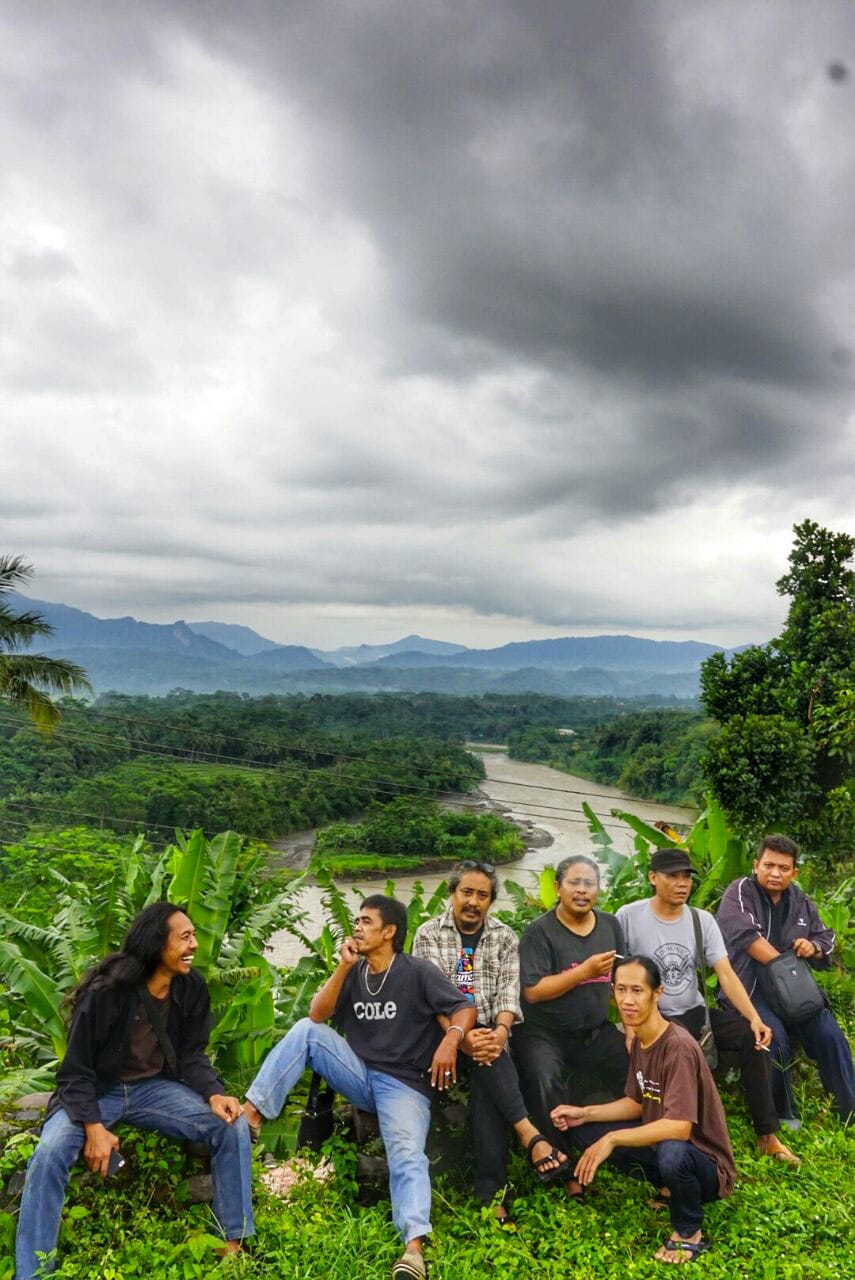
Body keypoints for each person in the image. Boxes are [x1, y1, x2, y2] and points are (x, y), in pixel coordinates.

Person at [243, 894, 475, 1280]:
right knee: (306, 1031)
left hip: (404, 1083)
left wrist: (451, 1040)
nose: (357, 927)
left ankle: (413, 1248)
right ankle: (251, 1115)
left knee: (406, 1153)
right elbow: (317, 1014)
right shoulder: (353, 972)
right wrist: (342, 967)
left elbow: (464, 1007)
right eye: (357, 921)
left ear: (389, 931)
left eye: (366, 921)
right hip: (359, 1074)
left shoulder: (416, 971)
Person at [16, 902, 253, 1280]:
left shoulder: (191, 987)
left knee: (231, 1124)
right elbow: (74, 1072)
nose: (194, 945)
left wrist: (214, 1094)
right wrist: (93, 1127)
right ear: (157, 944)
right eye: (185, 937)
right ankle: (33, 1272)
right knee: (49, 1152)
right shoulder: (108, 991)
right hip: (97, 1092)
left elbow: (191, 1054)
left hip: (154, 1090)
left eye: (194, 936)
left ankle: (231, 1246)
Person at [616, 847, 798, 1165]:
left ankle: (767, 1134)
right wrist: (631, 1027)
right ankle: (691, 1140)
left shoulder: (702, 920)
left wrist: (754, 1018)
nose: (682, 883)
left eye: (686, 876)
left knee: (752, 1038)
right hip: (653, 1018)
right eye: (673, 876)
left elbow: (725, 974)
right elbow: (617, 980)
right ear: (653, 878)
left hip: (695, 1013)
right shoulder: (629, 917)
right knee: (681, 1054)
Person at [552, 955, 736, 1265]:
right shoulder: (640, 1039)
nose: (627, 1000)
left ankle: (689, 1230)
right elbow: (637, 1102)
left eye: (637, 991)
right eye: (621, 990)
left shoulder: (676, 1045)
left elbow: (679, 1128)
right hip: (668, 1149)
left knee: (671, 1149)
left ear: (657, 993)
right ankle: (668, 1187)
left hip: (706, 1166)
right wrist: (585, 1114)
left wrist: (612, 1139)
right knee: (582, 1128)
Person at [412, 860, 568, 1223]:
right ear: (453, 893)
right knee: (491, 1062)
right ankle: (529, 1136)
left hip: (490, 1031)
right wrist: (459, 1037)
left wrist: (499, 1033)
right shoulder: (429, 934)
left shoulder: (504, 937)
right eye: (466, 892)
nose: (473, 901)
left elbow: (508, 996)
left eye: (482, 895)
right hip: (443, 1033)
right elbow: (430, 996)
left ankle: (491, 1194)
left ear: (490, 901)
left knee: (489, 1076)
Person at [717, 833, 854, 1126]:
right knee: (773, 1036)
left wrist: (811, 947)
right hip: (749, 990)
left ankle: (849, 1111)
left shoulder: (801, 901)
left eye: (783, 868)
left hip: (796, 994)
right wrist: (788, 964)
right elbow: (745, 938)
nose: (775, 873)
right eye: (769, 865)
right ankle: (784, 1114)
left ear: (794, 872)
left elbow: (825, 938)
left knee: (831, 1035)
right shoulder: (740, 891)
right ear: (756, 865)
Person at [513, 854, 628, 1200]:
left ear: (598, 890)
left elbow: (618, 982)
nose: (582, 890)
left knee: (634, 1065)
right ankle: (562, 1165)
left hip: (594, 1030)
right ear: (558, 888)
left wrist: (631, 1026)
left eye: (589, 883)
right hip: (543, 1033)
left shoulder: (610, 926)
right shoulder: (539, 932)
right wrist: (584, 972)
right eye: (574, 883)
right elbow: (531, 992)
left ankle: (635, 1141)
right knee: (545, 1079)